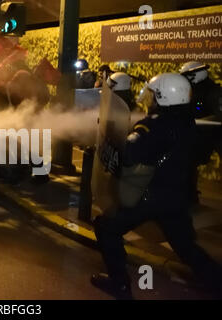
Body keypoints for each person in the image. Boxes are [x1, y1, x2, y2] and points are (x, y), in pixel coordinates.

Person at [91, 73, 222, 299]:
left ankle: (119, 284)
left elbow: (130, 155)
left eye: (152, 95)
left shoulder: (152, 127)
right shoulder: (189, 123)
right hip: (178, 196)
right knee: (186, 247)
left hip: (149, 196)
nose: (149, 99)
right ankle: (217, 282)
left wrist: (118, 137)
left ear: (162, 97)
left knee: (106, 227)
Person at [180, 61, 222, 204]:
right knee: (188, 160)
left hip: (214, 135)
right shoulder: (193, 90)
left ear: (195, 75)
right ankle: (189, 195)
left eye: (187, 76)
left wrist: (201, 122)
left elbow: (218, 116)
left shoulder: (214, 92)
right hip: (199, 133)